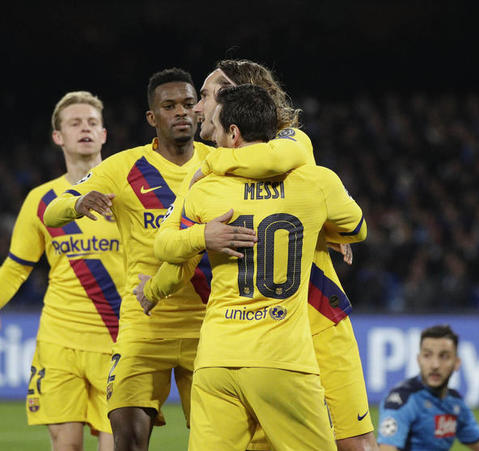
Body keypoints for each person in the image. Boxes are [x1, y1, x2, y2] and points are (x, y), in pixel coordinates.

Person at [43, 69, 308, 451]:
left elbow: (285, 192)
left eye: (188, 103)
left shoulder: (222, 161)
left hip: (210, 329)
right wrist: (78, 202)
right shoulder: (123, 168)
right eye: (169, 106)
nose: (182, 112)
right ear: (153, 117)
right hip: (144, 327)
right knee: (128, 441)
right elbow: (53, 212)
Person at [144, 59, 376, 451]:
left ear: (238, 99)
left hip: (315, 317)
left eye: (204, 96)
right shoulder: (225, 172)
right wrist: (154, 290)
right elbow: (182, 251)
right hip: (266, 334)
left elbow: (273, 158)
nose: (195, 108)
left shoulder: (289, 144)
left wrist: (211, 163)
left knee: (356, 444)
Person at [0, 91, 121, 451]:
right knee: (65, 445)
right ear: (58, 137)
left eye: (92, 123)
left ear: (104, 135)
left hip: (119, 341)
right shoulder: (41, 201)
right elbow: (14, 269)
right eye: (75, 123)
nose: (84, 128)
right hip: (58, 343)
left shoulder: (129, 192)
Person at [378, 325, 479, 451]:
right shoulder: (402, 400)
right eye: (427, 355)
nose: (435, 365)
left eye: (444, 356)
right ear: (419, 360)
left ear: (457, 363)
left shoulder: (455, 404)